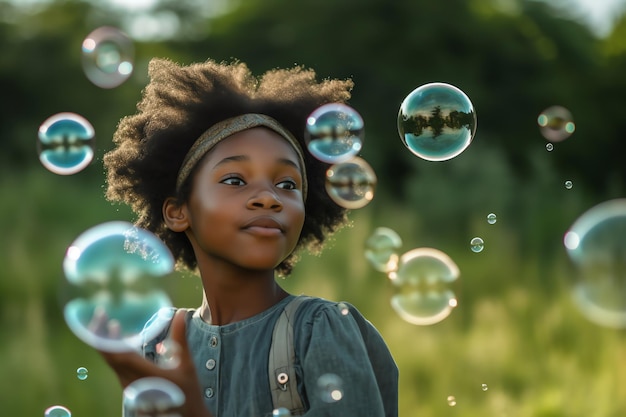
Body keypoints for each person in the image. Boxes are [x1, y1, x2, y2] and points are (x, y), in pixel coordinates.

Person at [100, 57, 398, 417]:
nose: (268, 198)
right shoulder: (159, 341)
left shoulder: (319, 330)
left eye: (287, 184)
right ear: (178, 211)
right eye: (235, 180)